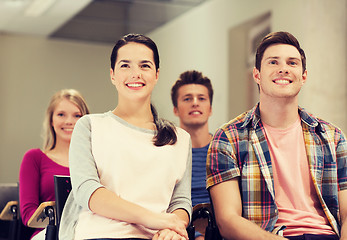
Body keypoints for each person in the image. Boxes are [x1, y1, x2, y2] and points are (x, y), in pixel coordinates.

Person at [206, 31, 347, 240]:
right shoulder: (229, 137)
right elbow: (227, 220)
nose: (283, 69)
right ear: (257, 75)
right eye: (273, 62)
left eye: (292, 63)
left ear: (303, 76)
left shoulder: (331, 136)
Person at [59, 33, 192, 240]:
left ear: (157, 74)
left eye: (145, 65)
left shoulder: (180, 139)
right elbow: (87, 191)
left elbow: (181, 203)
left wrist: (172, 228)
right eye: (125, 65)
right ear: (112, 75)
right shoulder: (90, 126)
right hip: (100, 234)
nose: (135, 73)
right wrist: (154, 219)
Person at [19, 89, 90, 239]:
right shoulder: (34, 158)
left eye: (77, 115)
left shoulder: (94, 160)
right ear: (51, 120)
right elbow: (28, 215)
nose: (69, 121)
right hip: (49, 234)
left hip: (87, 231)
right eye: (61, 114)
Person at [171, 70, 213, 239]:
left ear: (210, 108)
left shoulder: (225, 149)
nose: (195, 103)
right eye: (187, 99)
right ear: (175, 109)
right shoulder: (166, 151)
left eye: (201, 98)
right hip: (179, 231)